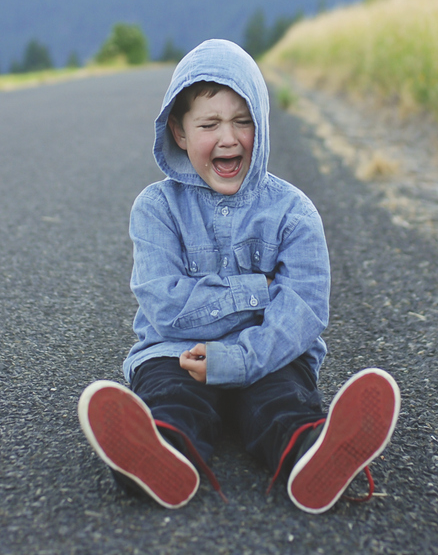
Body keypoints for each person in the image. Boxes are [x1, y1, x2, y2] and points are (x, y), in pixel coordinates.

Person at [77, 39, 400, 512]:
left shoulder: (294, 213)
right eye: (209, 124)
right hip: (176, 353)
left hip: (269, 354)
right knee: (171, 399)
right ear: (180, 132)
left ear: (263, 128)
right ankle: (155, 455)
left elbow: (303, 312)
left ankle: (316, 452)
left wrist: (239, 360)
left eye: (243, 121)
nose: (228, 139)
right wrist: (256, 290)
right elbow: (164, 305)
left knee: (280, 404)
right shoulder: (156, 208)